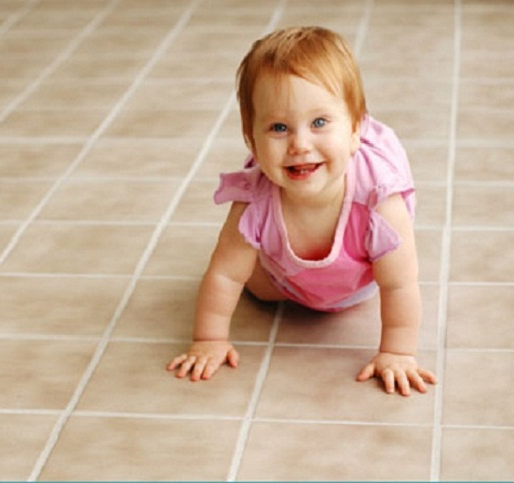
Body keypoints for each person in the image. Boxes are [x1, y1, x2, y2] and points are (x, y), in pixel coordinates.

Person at [167, 26, 437, 396]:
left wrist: (397, 352)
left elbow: (400, 283)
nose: (300, 144)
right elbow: (224, 276)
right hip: (282, 280)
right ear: (252, 140)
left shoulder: (377, 201)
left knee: (391, 268)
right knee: (251, 283)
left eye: (320, 123)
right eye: (279, 127)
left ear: (357, 129)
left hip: (357, 283)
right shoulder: (254, 200)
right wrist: (208, 339)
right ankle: (283, 278)